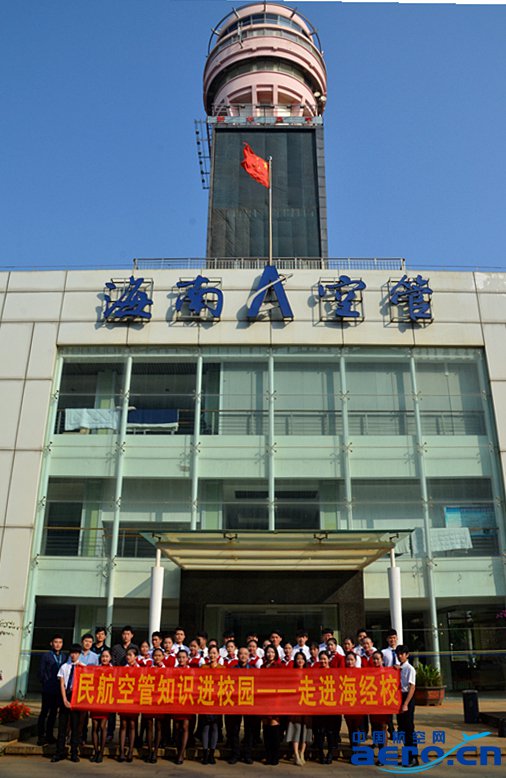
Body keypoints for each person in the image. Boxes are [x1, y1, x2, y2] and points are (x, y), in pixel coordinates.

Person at [51, 643, 83, 763]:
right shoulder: (64, 667)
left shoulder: (83, 667)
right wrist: (64, 699)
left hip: (77, 698)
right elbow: (62, 684)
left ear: (79, 654)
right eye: (72, 653)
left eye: (76, 653)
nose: (73, 655)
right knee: (62, 726)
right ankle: (59, 752)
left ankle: (74, 752)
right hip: (65, 696)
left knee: (75, 726)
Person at [37, 634, 67, 746]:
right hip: (48, 689)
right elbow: (41, 671)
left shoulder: (64, 657)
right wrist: (45, 682)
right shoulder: (46, 656)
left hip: (58, 690)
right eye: (56, 642)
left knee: (54, 713)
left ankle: (49, 735)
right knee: (44, 712)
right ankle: (41, 736)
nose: (58, 644)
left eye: (60, 642)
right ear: (51, 643)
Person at [286, 651, 313, 766]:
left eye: (302, 658)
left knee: (305, 729)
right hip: (295, 705)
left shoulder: (310, 673)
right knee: (296, 729)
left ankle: (302, 752)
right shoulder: (291, 673)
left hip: (307, 704)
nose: (300, 661)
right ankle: (296, 754)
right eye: (298, 659)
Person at [396, 645, 418, 767]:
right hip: (400, 697)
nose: (400, 656)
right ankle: (407, 757)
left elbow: (412, 687)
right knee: (402, 728)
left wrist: (405, 704)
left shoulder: (410, 669)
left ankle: (413, 758)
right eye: (398, 654)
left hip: (407, 698)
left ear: (407, 655)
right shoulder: (399, 668)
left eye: (402, 654)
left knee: (409, 729)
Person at [89, 649, 112, 763]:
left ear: (110, 658)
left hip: (106, 700)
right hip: (95, 700)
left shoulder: (113, 670)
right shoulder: (96, 669)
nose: (104, 658)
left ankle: (101, 752)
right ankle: (96, 751)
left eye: (107, 656)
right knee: (94, 726)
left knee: (103, 727)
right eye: (103, 656)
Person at [261, 644, 282, 766]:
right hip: (264, 700)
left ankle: (275, 756)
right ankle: (268, 755)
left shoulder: (279, 666)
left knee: (274, 728)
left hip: (275, 700)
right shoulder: (263, 666)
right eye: (268, 652)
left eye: (272, 652)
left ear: (276, 654)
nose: (270, 654)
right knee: (266, 729)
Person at [200, 645, 221, 764]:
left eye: (214, 653)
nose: (212, 655)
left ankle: (212, 753)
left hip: (217, 702)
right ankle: (205, 753)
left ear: (218, 655)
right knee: (205, 727)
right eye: (210, 653)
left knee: (215, 727)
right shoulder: (203, 667)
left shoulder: (222, 668)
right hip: (205, 700)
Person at [118, 647, 139, 762]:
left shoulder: (140, 669)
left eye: (131, 655)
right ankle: (121, 751)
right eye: (127, 655)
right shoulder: (123, 669)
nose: (128, 657)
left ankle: (130, 751)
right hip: (124, 699)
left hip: (135, 700)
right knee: (123, 724)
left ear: (136, 657)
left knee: (132, 725)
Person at [173, 649, 192, 764]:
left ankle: (181, 753)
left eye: (184, 657)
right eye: (179, 657)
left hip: (187, 701)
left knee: (185, 726)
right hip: (176, 701)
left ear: (187, 659)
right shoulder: (174, 670)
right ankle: (177, 749)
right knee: (176, 727)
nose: (181, 659)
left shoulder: (191, 671)